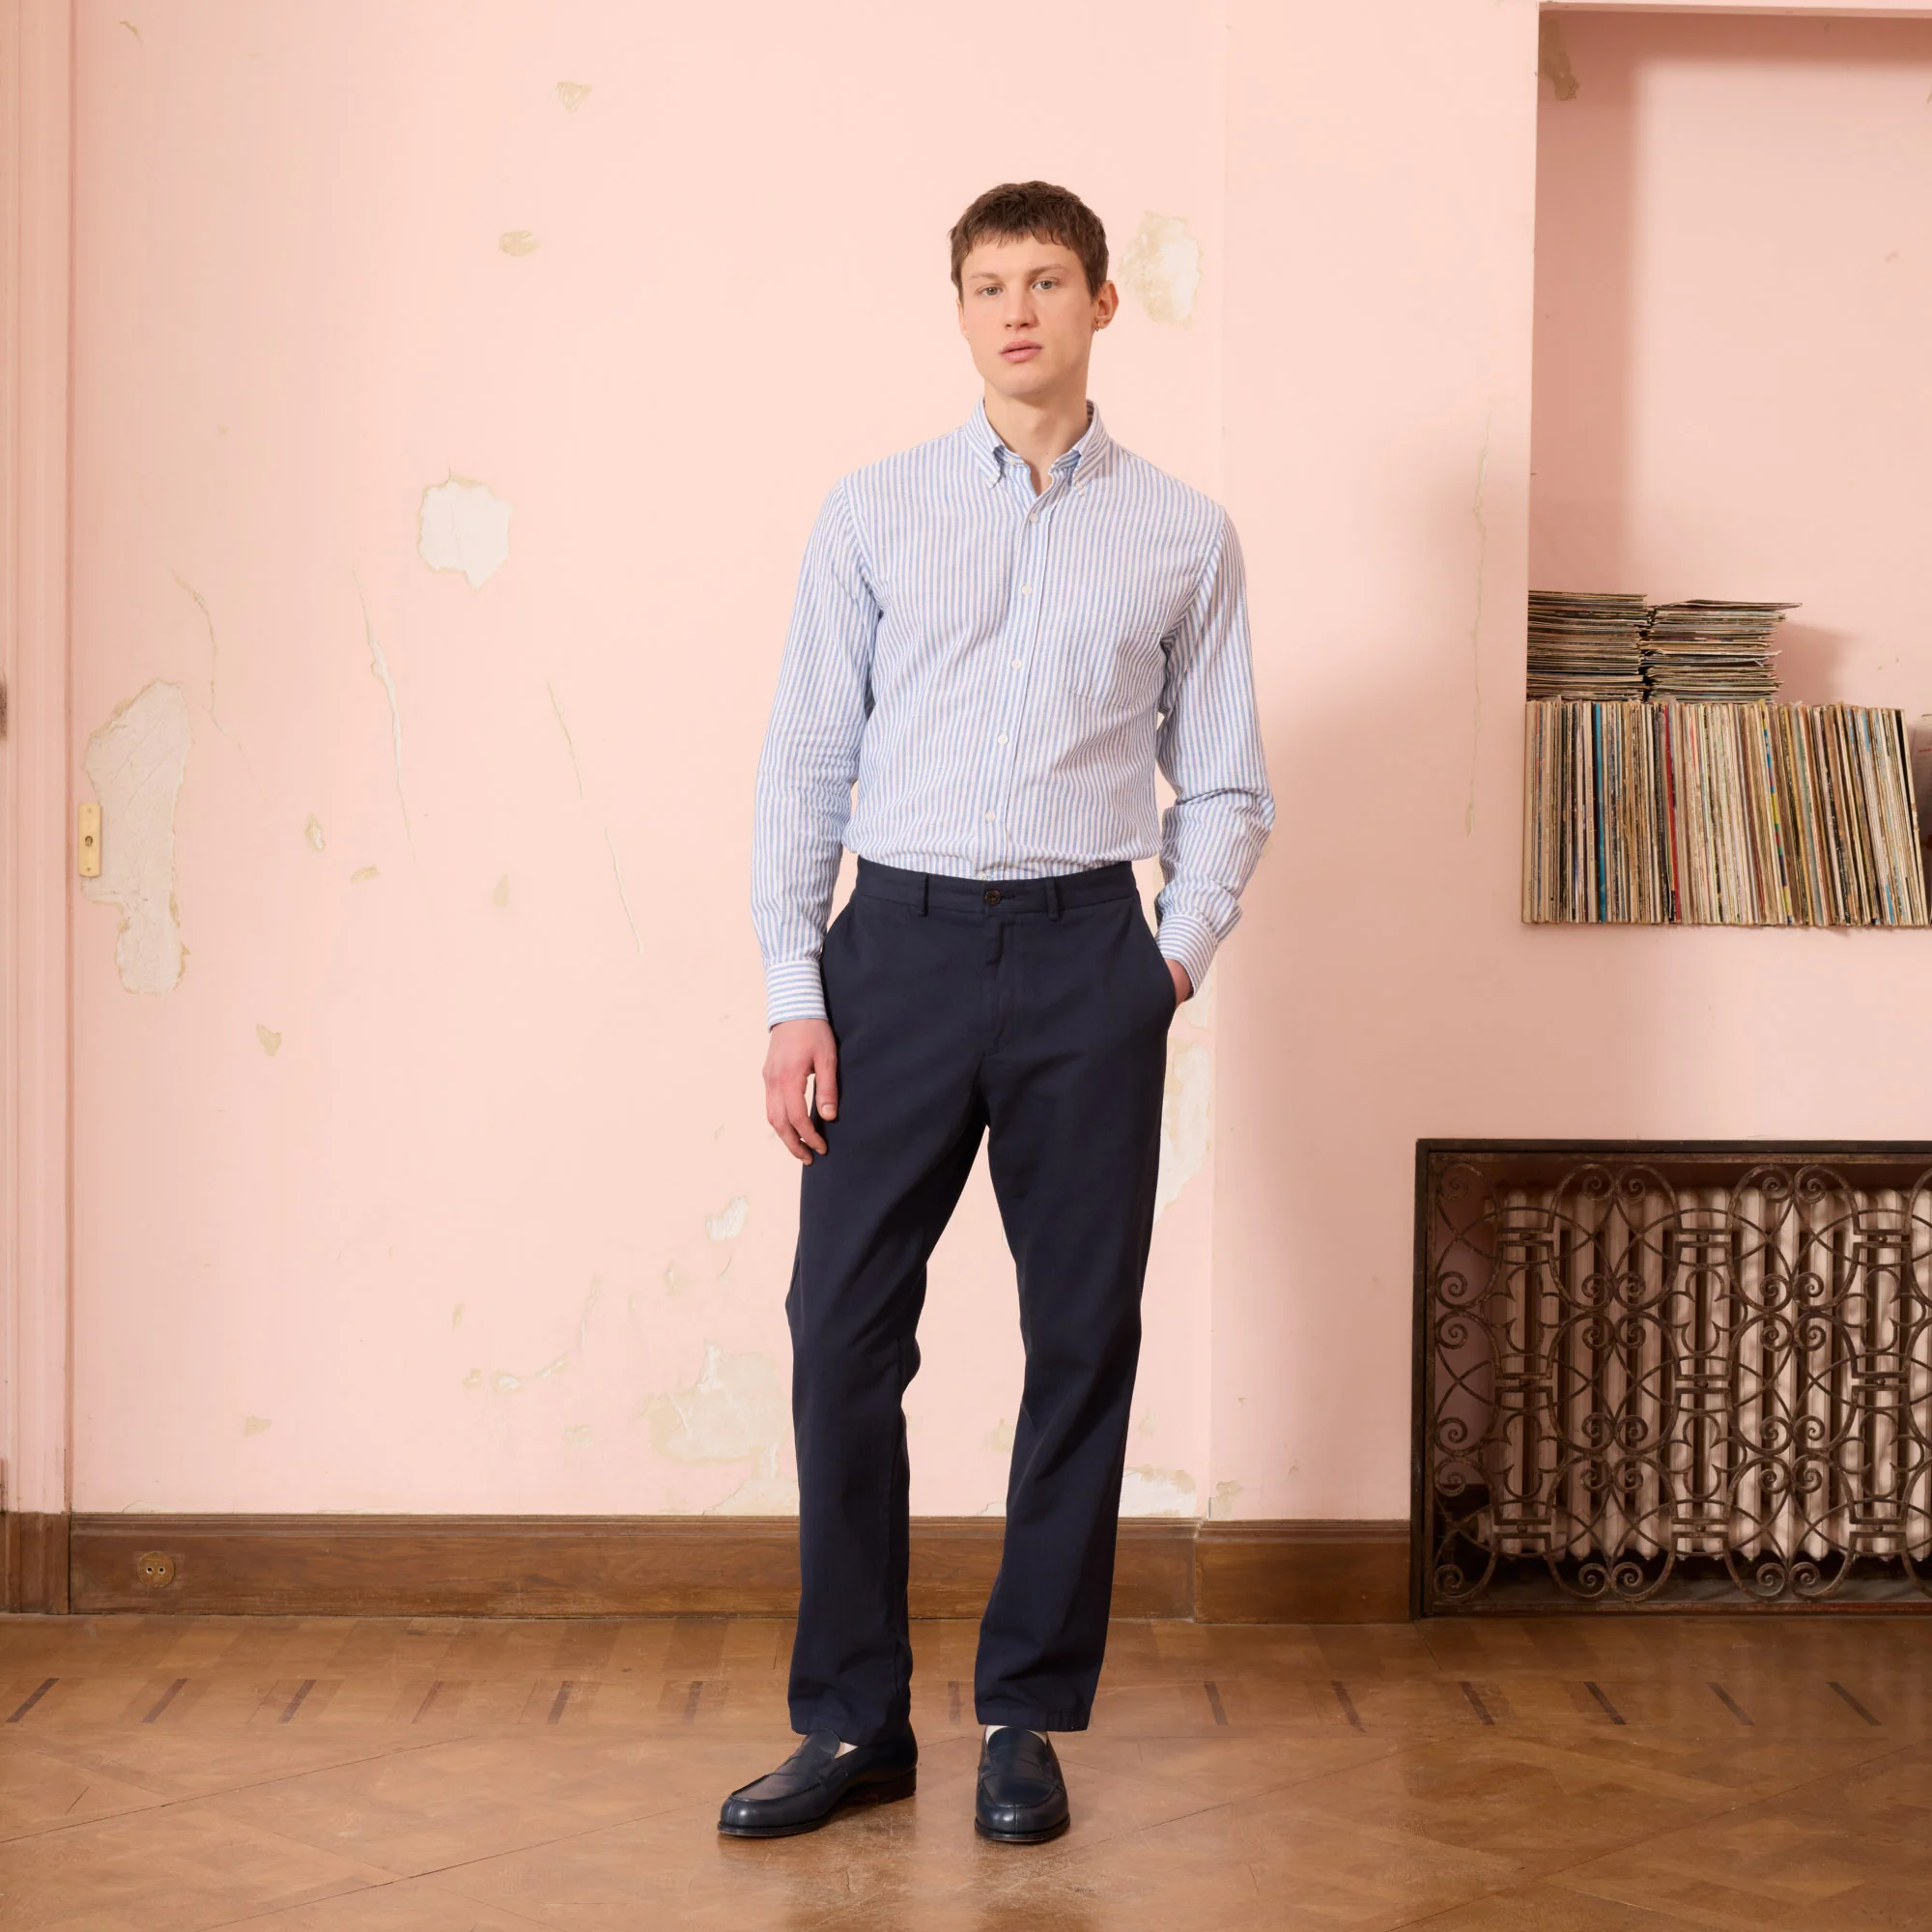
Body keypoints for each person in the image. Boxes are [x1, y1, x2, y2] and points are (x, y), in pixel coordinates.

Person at [722, 181, 1273, 1844]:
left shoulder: (1183, 532)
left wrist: (1168, 959)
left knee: (1081, 1338)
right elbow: (805, 760)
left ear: (1104, 303)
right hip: (892, 951)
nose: (1016, 309)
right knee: (840, 1333)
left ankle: (1025, 1717)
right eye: (987, 284)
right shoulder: (874, 511)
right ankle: (852, 1723)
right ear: (959, 310)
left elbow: (1226, 783)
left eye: (1046, 280)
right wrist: (794, 991)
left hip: (1084, 958)